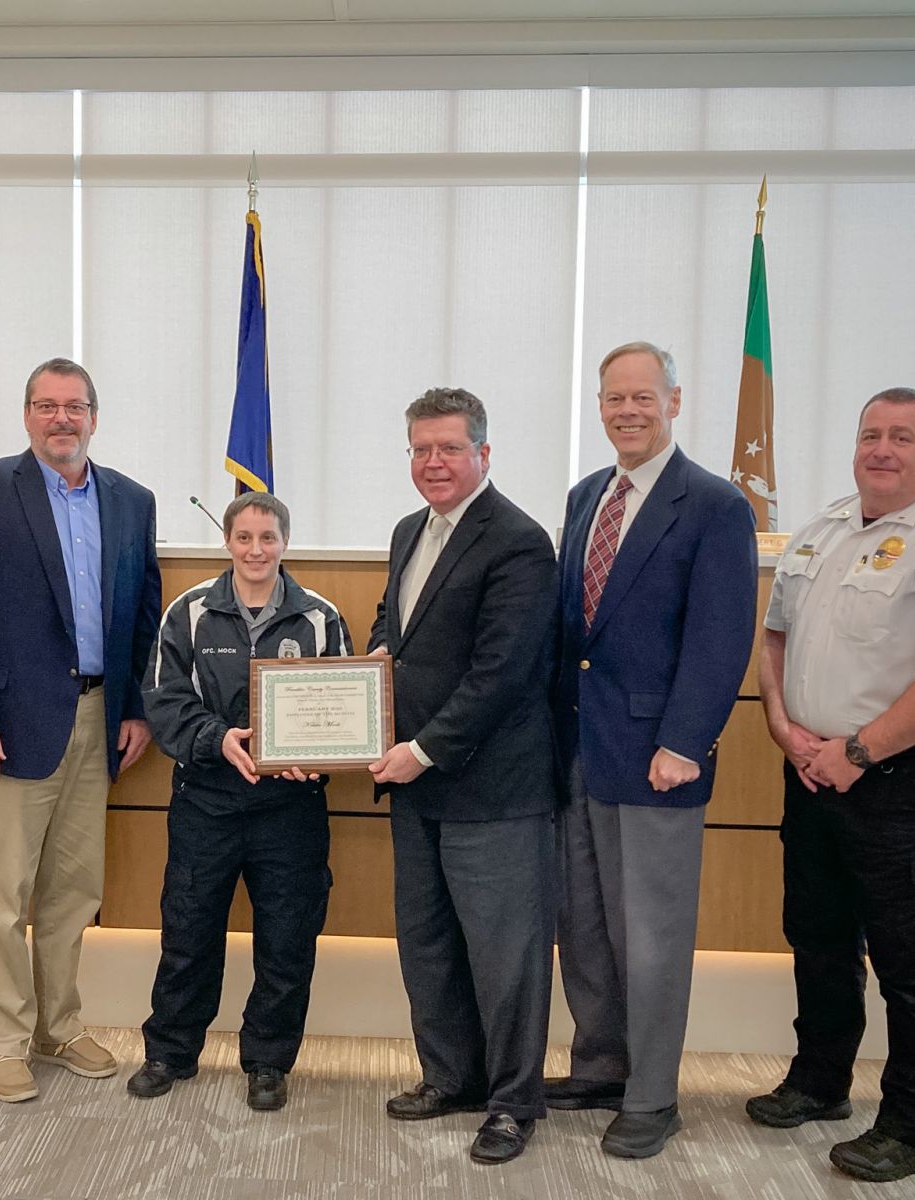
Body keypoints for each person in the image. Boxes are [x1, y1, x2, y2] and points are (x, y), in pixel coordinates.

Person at [748, 387, 915, 1183]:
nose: (881, 449)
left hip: (909, 781)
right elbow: (775, 636)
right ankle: (821, 1083)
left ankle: (912, 1126)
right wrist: (782, 725)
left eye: (902, 437)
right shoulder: (822, 531)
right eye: (871, 434)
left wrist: (857, 752)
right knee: (819, 940)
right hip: (812, 769)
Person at [546, 342, 757, 1157]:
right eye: (613, 399)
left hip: (657, 757)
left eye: (643, 397)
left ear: (674, 399)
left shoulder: (713, 504)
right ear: (598, 406)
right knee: (587, 926)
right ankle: (600, 1064)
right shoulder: (584, 496)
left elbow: (720, 635)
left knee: (654, 936)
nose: (627, 411)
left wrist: (685, 741)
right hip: (578, 749)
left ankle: (652, 1095)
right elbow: (575, 633)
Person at [0, 357, 162, 1103]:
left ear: (95, 415)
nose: (61, 419)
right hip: (12, 721)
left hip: (101, 717)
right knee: (6, 894)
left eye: (75, 406)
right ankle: (2, 1038)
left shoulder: (132, 499)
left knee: (75, 889)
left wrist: (135, 706)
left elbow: (141, 610)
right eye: (47, 406)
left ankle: (57, 1025)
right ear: (26, 414)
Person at [366, 386, 561, 1165]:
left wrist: (421, 748)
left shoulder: (518, 540)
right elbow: (395, 623)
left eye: (449, 448)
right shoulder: (410, 530)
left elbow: (502, 674)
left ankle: (514, 1103)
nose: (434, 462)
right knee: (428, 943)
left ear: (484, 452)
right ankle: (450, 1077)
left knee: (506, 955)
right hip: (416, 787)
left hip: (493, 788)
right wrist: (378, 657)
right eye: (421, 448)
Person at [127, 491, 352, 1112]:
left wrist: (321, 752)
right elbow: (164, 697)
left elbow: (340, 704)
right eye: (245, 537)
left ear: (285, 542)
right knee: (189, 931)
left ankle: (269, 1062)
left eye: (269, 538)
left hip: (291, 808)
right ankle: (170, 1051)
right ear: (227, 541)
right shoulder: (189, 612)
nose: (257, 550)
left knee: (287, 938)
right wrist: (216, 738)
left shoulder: (319, 618)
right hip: (206, 801)